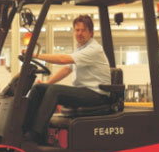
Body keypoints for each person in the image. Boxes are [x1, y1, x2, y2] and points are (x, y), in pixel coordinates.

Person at [24, 15, 111, 143]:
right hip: (85, 91)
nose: (79, 33)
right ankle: (24, 129)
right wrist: (47, 83)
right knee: (38, 88)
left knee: (54, 91)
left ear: (91, 33)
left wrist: (36, 55)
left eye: (83, 30)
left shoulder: (93, 49)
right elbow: (67, 69)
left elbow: (62, 59)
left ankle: (35, 134)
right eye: (77, 30)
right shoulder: (80, 48)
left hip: (97, 94)